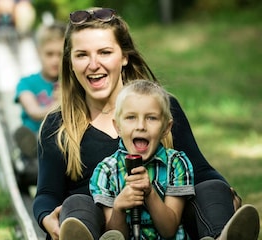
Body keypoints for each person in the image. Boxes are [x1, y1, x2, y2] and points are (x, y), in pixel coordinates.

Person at [33, 7, 260, 240]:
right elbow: (47, 193)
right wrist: (45, 216)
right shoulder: (58, 125)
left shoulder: (160, 109)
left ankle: (223, 236)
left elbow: (201, 171)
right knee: (76, 203)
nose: (93, 64)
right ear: (70, 62)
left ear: (124, 56)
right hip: (104, 230)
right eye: (82, 55)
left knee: (212, 189)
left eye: (104, 52)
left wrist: (223, 193)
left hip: (166, 227)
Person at [90, 80, 195, 239]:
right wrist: (118, 208)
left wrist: (150, 193)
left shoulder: (177, 164)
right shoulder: (105, 171)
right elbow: (115, 236)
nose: (141, 126)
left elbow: (169, 230)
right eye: (131, 117)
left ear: (166, 128)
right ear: (118, 126)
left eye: (151, 118)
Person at [13, 21, 66, 192]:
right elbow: (34, 111)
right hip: (36, 134)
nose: (55, 60)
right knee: (36, 150)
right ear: (38, 53)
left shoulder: (71, 83)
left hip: (62, 140)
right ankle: (30, 154)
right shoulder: (26, 83)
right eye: (49, 54)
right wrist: (58, 105)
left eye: (60, 55)